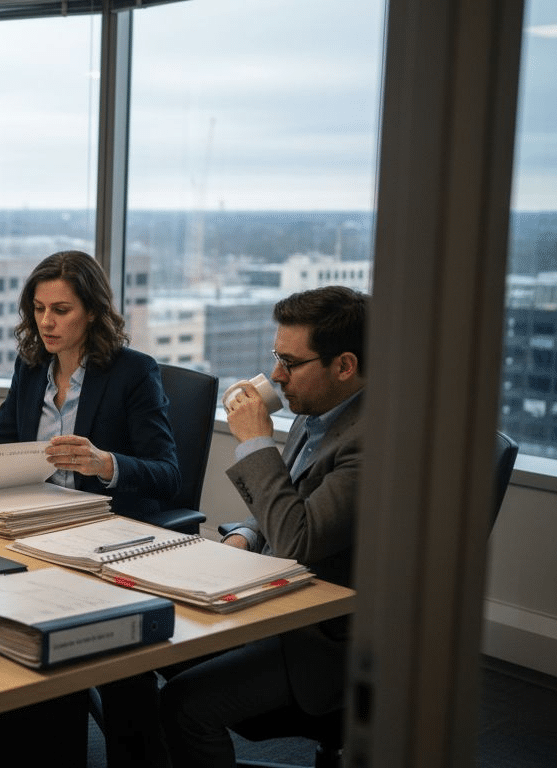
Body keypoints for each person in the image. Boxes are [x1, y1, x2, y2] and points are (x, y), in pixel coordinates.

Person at [154, 285, 368, 767]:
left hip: (326, 638)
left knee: (185, 706)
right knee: (141, 642)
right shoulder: (319, 414)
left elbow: (300, 540)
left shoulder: (371, 441)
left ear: (344, 365)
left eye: (290, 363)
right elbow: (290, 502)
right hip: (278, 600)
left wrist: (255, 444)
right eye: (277, 357)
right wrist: (246, 534)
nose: (276, 375)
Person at [0, 250, 180, 521]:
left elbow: (168, 475)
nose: (45, 322)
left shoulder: (134, 372)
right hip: (34, 515)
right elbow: (1, 443)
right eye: (39, 308)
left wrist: (105, 463)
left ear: (92, 311)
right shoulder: (32, 367)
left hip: (103, 521)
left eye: (61, 310)